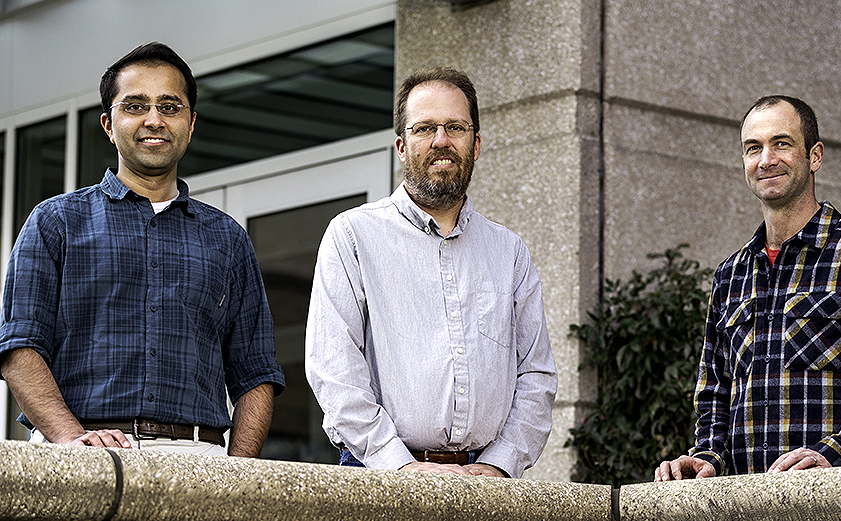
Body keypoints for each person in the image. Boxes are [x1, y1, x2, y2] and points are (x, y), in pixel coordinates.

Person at [0, 42, 284, 457]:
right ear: (108, 124)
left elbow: (256, 373)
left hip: (197, 459)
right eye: (135, 106)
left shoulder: (227, 238)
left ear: (190, 125)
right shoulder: (55, 221)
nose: (154, 119)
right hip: (80, 451)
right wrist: (69, 437)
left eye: (170, 107)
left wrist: (238, 469)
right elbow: (19, 346)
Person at [305, 67, 557, 478]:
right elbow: (333, 369)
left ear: (475, 145)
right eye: (425, 129)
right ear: (402, 147)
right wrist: (398, 464)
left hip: (487, 482)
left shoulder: (509, 252)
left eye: (455, 127)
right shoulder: (353, 236)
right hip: (380, 473)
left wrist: (501, 463)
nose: (441, 141)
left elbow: (537, 374)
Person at [654, 96, 841, 481]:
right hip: (744, 512)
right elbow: (714, 396)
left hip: (833, 500)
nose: (766, 159)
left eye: (782, 144)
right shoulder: (729, 275)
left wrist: (832, 456)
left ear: (815, 156)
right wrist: (707, 457)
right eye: (753, 148)